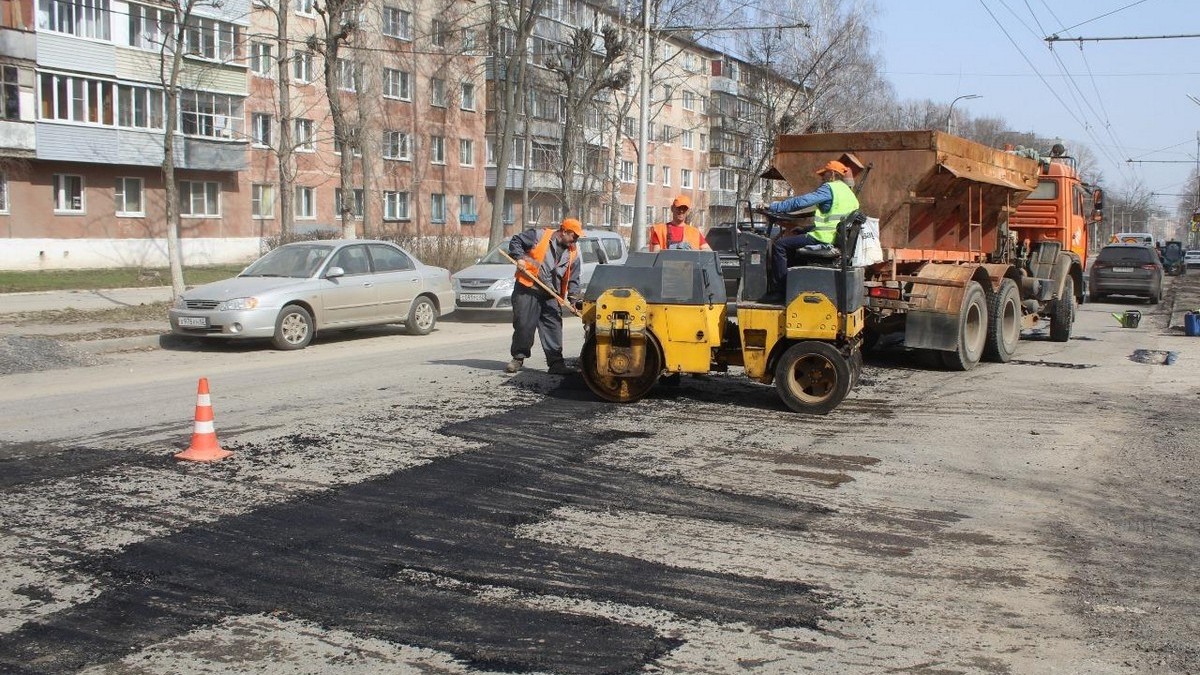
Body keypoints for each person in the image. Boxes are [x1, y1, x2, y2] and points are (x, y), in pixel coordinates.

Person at [760, 159, 860, 295]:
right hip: (834, 238)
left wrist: (774, 207)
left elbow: (802, 202)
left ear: (832, 174)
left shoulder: (830, 188)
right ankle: (793, 285)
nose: (822, 178)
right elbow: (834, 222)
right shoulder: (849, 194)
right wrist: (805, 230)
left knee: (779, 246)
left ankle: (780, 291)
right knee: (791, 245)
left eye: (824, 175)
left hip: (823, 238)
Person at [506, 218, 584, 375]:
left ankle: (556, 363)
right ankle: (518, 358)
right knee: (524, 325)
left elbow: (573, 279)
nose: (575, 240)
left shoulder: (573, 253)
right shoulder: (539, 236)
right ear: (564, 232)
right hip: (528, 288)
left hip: (550, 293)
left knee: (553, 326)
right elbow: (515, 241)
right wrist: (519, 258)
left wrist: (575, 301)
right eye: (573, 236)